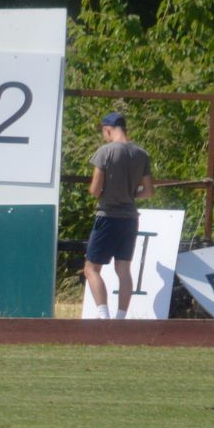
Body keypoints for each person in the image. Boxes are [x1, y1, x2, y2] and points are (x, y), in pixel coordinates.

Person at [82, 111, 155, 320]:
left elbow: (95, 189)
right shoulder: (141, 154)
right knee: (123, 269)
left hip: (108, 216)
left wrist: (106, 192)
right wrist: (130, 194)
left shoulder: (105, 152)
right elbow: (149, 191)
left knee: (91, 269)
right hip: (130, 218)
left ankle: (104, 316)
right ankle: (121, 318)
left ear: (107, 130)